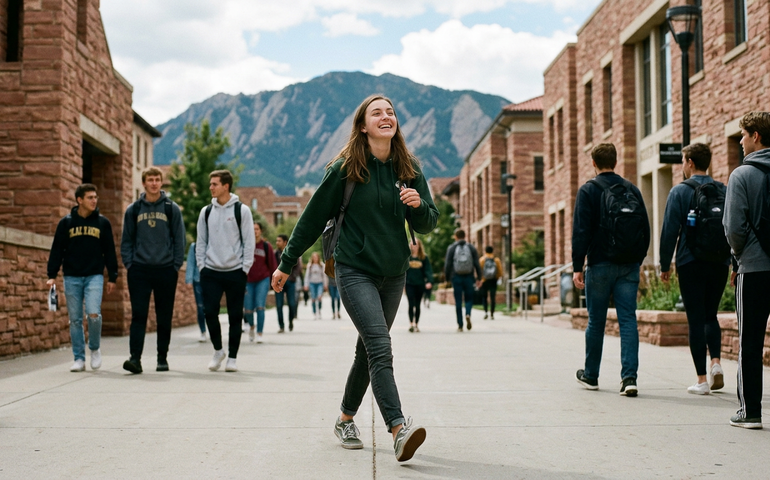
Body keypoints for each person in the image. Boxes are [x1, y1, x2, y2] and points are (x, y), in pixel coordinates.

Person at [271, 94, 438, 462]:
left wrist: (418, 205)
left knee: (368, 350)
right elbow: (312, 218)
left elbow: (428, 223)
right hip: (354, 269)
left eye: (391, 112)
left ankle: (345, 418)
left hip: (394, 273)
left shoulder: (409, 168)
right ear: (363, 125)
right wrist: (286, 263)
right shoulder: (345, 169)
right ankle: (399, 428)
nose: (386, 116)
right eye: (377, 112)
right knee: (380, 346)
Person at [572, 142, 650, 397]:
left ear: (593, 163)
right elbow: (645, 230)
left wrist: (577, 266)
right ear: (615, 162)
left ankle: (591, 375)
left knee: (596, 321)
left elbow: (581, 231)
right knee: (628, 320)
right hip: (628, 265)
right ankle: (629, 378)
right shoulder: (632, 189)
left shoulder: (588, 190)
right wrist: (637, 259)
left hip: (600, 264)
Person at [659, 143, 729, 395]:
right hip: (720, 261)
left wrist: (665, 264)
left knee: (695, 319)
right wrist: (733, 262)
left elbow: (669, 231)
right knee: (711, 315)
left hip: (690, 262)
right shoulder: (723, 189)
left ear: (689, 162)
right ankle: (717, 363)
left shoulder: (679, 192)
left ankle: (701, 380)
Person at [723, 111, 770, 429]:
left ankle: (750, 410)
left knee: (750, 341)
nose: (739, 141)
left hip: (754, 269)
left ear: (756, 136)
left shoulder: (742, 175)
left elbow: (733, 228)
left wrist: (738, 258)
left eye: (742, 135)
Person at [120, 167, 186, 374]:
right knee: (139, 315)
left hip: (165, 270)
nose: (154, 183)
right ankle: (135, 359)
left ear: (161, 182)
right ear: (144, 183)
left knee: (163, 316)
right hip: (139, 270)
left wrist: (175, 265)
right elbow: (127, 240)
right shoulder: (133, 209)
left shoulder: (170, 208)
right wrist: (129, 264)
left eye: (158, 179)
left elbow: (179, 239)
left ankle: (162, 358)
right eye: (151, 180)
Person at [46, 184, 118, 372]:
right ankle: (79, 358)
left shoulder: (102, 223)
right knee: (76, 319)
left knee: (93, 314)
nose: (94, 200)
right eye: (90, 197)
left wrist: (113, 276)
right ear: (79, 200)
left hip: (94, 275)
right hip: (72, 277)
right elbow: (57, 250)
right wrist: (51, 275)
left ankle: (94, 349)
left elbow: (109, 251)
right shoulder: (66, 223)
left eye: (95, 197)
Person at [196, 170, 255, 373]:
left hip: (235, 271)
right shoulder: (206, 212)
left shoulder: (242, 211)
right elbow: (201, 242)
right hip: (210, 271)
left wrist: (244, 268)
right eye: (210, 184)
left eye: (214, 184)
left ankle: (232, 357)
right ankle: (218, 350)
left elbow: (249, 242)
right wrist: (202, 266)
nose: (211, 187)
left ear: (225, 186)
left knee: (234, 316)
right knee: (210, 312)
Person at [244, 221, 277, 343]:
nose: (255, 231)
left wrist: (274, 281)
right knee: (248, 309)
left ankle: (259, 333)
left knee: (260, 307)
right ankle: (252, 326)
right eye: (252, 229)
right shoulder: (246, 245)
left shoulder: (266, 246)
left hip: (262, 280)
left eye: (257, 229)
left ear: (260, 231)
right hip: (248, 280)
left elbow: (272, 265)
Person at [444, 229, 481, 332]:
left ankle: (460, 325)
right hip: (469, 277)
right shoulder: (471, 247)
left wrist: (447, 279)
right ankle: (468, 314)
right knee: (469, 298)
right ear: (465, 236)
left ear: (456, 236)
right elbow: (477, 263)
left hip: (457, 277)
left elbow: (448, 264)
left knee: (458, 301)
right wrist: (479, 278)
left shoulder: (452, 248)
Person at [274, 234, 301, 332]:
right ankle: (281, 326)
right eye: (276, 241)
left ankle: (290, 321)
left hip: (290, 282)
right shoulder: (275, 254)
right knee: (279, 305)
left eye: (279, 241)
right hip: (278, 283)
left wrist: (292, 276)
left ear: (285, 242)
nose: (277, 243)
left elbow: (298, 266)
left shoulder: (292, 252)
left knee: (292, 303)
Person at [405, 238, 432, 332]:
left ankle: (416, 324)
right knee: (411, 304)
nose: (414, 246)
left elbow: (428, 270)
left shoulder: (424, 258)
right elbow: (403, 271)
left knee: (417, 304)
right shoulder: (407, 257)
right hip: (409, 284)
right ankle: (411, 324)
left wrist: (429, 281)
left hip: (420, 284)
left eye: (416, 244)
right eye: (412, 244)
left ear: (419, 245)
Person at [185, 241, 207, 342]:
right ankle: (203, 331)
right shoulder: (194, 247)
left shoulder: (213, 244)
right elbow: (190, 263)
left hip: (211, 281)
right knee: (200, 307)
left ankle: (212, 330)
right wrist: (189, 280)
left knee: (211, 308)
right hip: (198, 281)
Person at [479, 245, 503, 320]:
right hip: (493, 280)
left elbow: (479, 270)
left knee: (484, 297)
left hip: (484, 280)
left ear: (485, 251)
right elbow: (500, 271)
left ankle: (486, 312)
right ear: (492, 251)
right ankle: (492, 313)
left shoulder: (482, 259)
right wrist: (496, 277)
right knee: (493, 297)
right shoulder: (496, 260)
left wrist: (481, 279)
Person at [304, 252, 327, 320]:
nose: (315, 259)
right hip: (312, 283)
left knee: (319, 297)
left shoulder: (322, 265)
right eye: (314, 257)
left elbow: (324, 276)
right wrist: (306, 284)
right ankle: (314, 312)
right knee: (313, 298)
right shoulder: (310, 265)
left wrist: (325, 284)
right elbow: (307, 276)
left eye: (316, 257)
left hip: (320, 283)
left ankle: (319, 310)